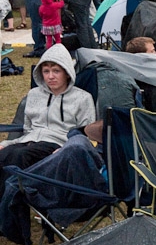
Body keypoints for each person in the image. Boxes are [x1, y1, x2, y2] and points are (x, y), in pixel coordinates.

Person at [0, 44, 96, 214]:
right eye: (46, 71)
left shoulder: (82, 98)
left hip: (58, 146)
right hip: (29, 142)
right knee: (5, 154)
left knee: (17, 157)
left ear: (67, 72)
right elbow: (28, 130)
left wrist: (66, 149)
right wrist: (8, 142)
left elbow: (85, 135)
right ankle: (7, 213)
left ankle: (11, 217)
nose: (50, 76)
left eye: (56, 71)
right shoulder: (34, 94)